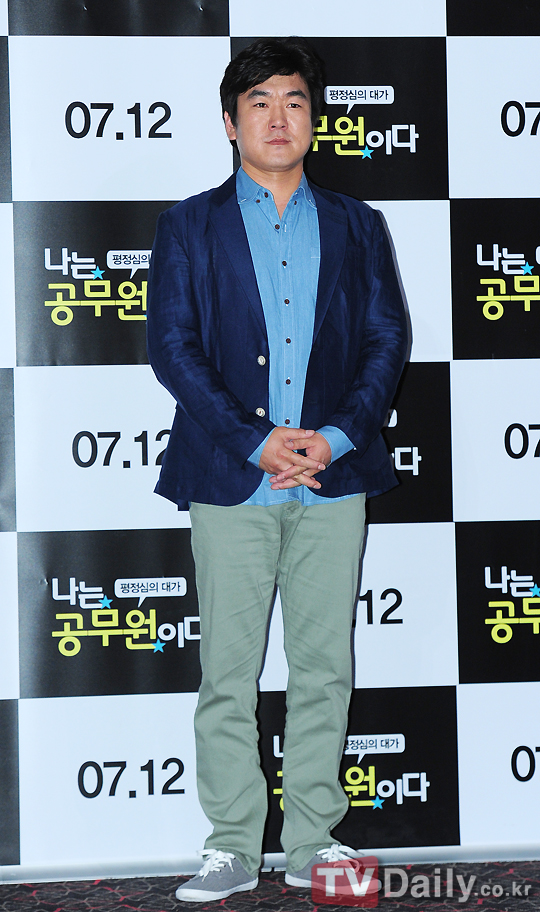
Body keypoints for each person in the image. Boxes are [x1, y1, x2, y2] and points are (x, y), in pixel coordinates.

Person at [147, 36, 407, 903]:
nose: (278, 117)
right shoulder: (188, 225)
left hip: (333, 478)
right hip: (233, 478)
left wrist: (335, 435)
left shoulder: (358, 224)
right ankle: (230, 844)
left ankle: (312, 843)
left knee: (323, 668)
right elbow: (173, 349)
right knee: (228, 673)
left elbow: (386, 340)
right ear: (231, 123)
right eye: (259, 103)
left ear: (314, 120)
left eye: (294, 101)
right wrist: (254, 441)